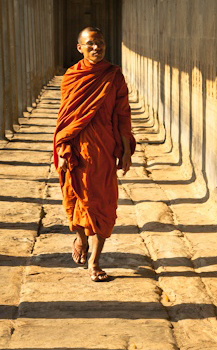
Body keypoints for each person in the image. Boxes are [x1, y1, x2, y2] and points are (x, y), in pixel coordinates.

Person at [53, 27, 135, 282]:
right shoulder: (71, 77)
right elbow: (66, 118)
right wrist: (63, 148)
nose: (96, 48)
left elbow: (123, 115)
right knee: (75, 198)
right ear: (80, 48)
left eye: (100, 43)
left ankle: (95, 261)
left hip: (104, 151)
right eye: (90, 44)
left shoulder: (113, 76)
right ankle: (80, 238)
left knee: (103, 203)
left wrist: (126, 151)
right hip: (77, 150)